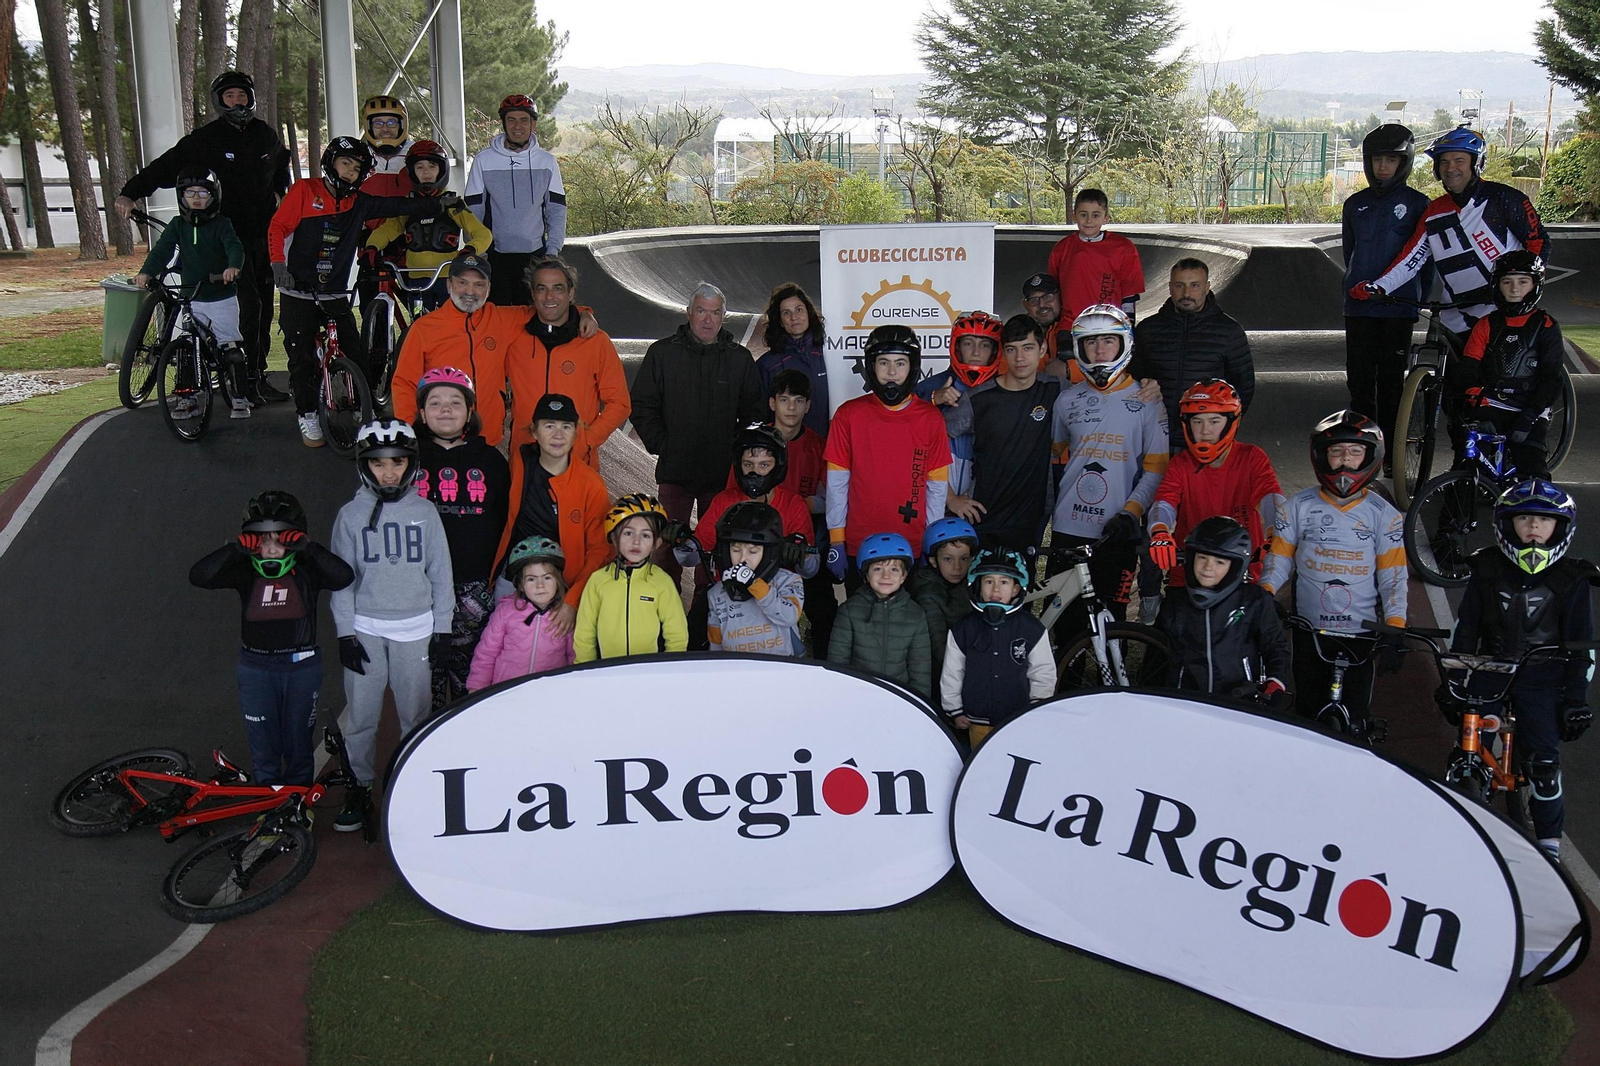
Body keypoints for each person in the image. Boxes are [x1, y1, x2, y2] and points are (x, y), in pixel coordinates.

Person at [116, 71, 292, 404]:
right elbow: (164, 166)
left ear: (251, 98)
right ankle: (221, 373)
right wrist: (130, 193)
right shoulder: (206, 139)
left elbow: (281, 167)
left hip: (262, 236)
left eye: (242, 95)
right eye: (229, 97)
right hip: (220, 236)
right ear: (219, 101)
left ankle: (254, 376)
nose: (237, 102)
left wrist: (281, 191)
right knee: (242, 304)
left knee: (262, 309)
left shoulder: (266, 135)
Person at [269, 136, 447, 447]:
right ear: (331, 163)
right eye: (345, 164)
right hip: (298, 292)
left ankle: (361, 407)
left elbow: (397, 206)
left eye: (356, 168)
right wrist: (278, 266)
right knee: (301, 359)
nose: (350, 171)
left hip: (335, 292)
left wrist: (439, 203)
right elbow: (278, 227)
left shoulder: (359, 202)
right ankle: (308, 413)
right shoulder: (305, 191)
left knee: (356, 352)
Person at [1450, 479, 1594, 860]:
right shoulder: (1485, 568)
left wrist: (1575, 699)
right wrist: (1452, 680)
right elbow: (1466, 631)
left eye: (1544, 521)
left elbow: (1583, 648)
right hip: (1490, 671)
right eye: (1525, 518)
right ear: (1505, 524)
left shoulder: (1573, 578)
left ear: (1560, 528)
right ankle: (1461, 826)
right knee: (1466, 756)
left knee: (1544, 765)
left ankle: (1549, 847)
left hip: (1544, 679)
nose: (1533, 527)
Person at [330, 419, 455, 831]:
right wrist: (345, 632)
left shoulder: (426, 511)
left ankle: (410, 785)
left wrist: (443, 628)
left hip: (415, 629)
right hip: (365, 628)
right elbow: (342, 580)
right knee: (362, 716)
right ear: (365, 466)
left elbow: (441, 574)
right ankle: (359, 786)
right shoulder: (350, 516)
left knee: (414, 715)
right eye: (379, 463)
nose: (389, 471)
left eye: (397, 462)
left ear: (411, 464)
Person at [631, 282, 766, 641]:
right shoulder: (662, 354)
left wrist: (737, 457)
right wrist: (664, 444)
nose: (708, 319)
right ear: (689, 313)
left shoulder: (739, 359)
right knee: (667, 550)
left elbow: (754, 415)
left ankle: (704, 625)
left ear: (724, 317)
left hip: (721, 476)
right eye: (702, 311)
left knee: (713, 553)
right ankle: (663, 624)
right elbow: (642, 406)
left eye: (716, 312)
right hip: (675, 472)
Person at [189, 491, 354, 785]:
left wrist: (309, 548)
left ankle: (298, 808)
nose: (271, 546)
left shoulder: (307, 568)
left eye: (281, 538)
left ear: (295, 537)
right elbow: (199, 576)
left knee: (298, 744)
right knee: (264, 747)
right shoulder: (243, 570)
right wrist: (235, 550)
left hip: (302, 669)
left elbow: (344, 576)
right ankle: (267, 810)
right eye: (262, 538)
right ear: (250, 540)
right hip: (256, 669)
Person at [1259, 411, 1407, 728]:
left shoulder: (1385, 515)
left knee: (1356, 717)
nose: (1344, 462)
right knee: (1307, 712)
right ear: (1321, 456)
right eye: (1336, 451)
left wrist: (1396, 627)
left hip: (1361, 632)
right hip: (1309, 629)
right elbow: (1280, 558)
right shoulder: (1296, 507)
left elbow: (1393, 576)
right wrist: (1265, 594)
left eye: (1355, 453)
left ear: (1371, 457)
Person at [1353, 125, 1551, 340]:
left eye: (1459, 161)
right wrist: (1379, 286)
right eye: (1444, 162)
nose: (1450, 168)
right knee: (1454, 372)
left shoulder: (1506, 198)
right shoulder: (1434, 211)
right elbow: (1411, 258)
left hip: (1503, 315)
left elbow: (1539, 242)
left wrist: (1527, 287)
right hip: (1454, 319)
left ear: (1477, 164)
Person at [1048, 304, 1170, 643]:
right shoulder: (1066, 401)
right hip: (1067, 528)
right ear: (1079, 347)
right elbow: (1052, 458)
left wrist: (1130, 514)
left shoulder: (1148, 400)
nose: (1100, 350)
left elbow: (1156, 469)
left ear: (1124, 344)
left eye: (1108, 341)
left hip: (1117, 532)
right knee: (1066, 626)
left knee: (1112, 625)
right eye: (1091, 342)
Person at [824, 325, 952, 592]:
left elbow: (936, 488)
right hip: (858, 542)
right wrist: (837, 538)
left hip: (912, 544)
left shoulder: (930, 418)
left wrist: (931, 541)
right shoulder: (848, 415)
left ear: (913, 367)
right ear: (871, 367)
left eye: (900, 363)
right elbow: (837, 483)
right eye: (884, 363)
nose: (892, 372)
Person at [412, 368, 511, 709]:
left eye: (456, 402)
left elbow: (506, 519)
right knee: (426, 674)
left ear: (470, 411)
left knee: (471, 674)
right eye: (435, 402)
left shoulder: (490, 461)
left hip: (474, 585)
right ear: (422, 413)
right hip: (420, 586)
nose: (445, 409)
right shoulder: (407, 458)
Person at [1341, 124, 1433, 457]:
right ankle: (1363, 451)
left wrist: (1418, 300)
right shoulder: (1354, 205)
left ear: (1404, 162)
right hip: (1359, 307)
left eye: (1391, 160)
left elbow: (1427, 260)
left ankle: (1393, 455)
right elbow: (1350, 253)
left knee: (1392, 385)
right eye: (1377, 159)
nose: (1383, 167)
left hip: (1397, 308)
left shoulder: (1420, 204)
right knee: (1360, 384)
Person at [131, 167, 250, 419]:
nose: (196, 198)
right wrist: (147, 272)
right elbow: (161, 251)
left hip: (221, 297)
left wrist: (232, 268)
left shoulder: (221, 224)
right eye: (189, 193)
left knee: (231, 349)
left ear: (214, 195)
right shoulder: (178, 225)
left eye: (203, 193)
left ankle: (240, 396)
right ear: (181, 197)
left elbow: (234, 248)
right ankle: (187, 398)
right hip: (192, 297)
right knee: (187, 347)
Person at [1146, 379, 1284, 593]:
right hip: (1189, 575)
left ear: (1231, 422)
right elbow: (1165, 502)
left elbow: (1270, 498)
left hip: (1243, 572)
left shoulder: (1252, 457)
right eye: (1197, 421)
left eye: (1214, 421)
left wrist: (1275, 533)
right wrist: (1160, 532)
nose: (1205, 431)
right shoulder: (1181, 463)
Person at [495, 393, 613, 637]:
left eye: (566, 427)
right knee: (505, 647)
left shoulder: (591, 485)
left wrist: (572, 601)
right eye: (549, 426)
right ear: (535, 432)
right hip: (512, 578)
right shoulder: (520, 459)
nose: (558, 435)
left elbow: (600, 551)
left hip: (560, 590)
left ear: (575, 433)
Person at [1446, 252, 1565, 480]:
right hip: (1490, 404)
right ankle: (1456, 515)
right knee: (1465, 466)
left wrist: (1529, 417)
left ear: (1535, 285)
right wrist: (1479, 407)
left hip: (1530, 408)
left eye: (1523, 282)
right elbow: (1468, 369)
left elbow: (1552, 378)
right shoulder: (1486, 324)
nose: (1514, 289)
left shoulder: (1547, 326)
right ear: (1497, 285)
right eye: (1506, 282)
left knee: (1533, 471)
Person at [949, 314, 1062, 554]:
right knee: (980, 590)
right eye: (1012, 349)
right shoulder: (978, 399)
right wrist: (950, 499)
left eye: (1028, 348)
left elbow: (1102, 396)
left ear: (1042, 349)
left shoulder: (1056, 389)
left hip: (1033, 520)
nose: (1020, 358)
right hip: (983, 518)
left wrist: (1146, 386)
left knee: (1028, 589)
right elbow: (926, 441)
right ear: (1003, 352)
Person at [507, 256, 630, 475]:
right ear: (533, 294)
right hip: (524, 466)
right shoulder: (514, 336)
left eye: (558, 288)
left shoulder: (595, 341)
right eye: (541, 288)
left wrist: (587, 439)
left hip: (578, 464)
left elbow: (619, 403)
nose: (549, 296)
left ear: (571, 293)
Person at [1157, 517, 1291, 711]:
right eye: (1202, 557)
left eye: (1219, 561)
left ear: (1235, 566)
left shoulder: (1254, 601)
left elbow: (1275, 646)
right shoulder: (1175, 602)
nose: (1208, 567)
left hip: (1239, 703)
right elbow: (1156, 653)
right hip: (1183, 703)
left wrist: (1276, 681)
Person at [1130, 258, 1255, 446]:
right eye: (1179, 285)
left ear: (1207, 287)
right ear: (1170, 287)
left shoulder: (1229, 331)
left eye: (1194, 285)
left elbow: (1243, 387)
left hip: (1204, 440)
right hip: (1153, 437)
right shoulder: (1148, 329)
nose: (1186, 293)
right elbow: (1132, 378)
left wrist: (1222, 429)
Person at [941, 547, 1055, 748]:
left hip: (1018, 719)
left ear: (1016, 589)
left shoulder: (1031, 629)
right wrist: (954, 709)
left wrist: (1039, 705)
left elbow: (1043, 671)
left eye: (1004, 582)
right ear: (977, 585)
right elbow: (952, 672)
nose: (995, 590)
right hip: (977, 720)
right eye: (988, 582)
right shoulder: (964, 629)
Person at [365, 141, 492, 312]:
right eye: (419, 167)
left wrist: (469, 250)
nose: (426, 172)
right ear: (412, 172)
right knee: (419, 326)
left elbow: (483, 234)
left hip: (447, 278)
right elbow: (386, 230)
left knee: (450, 325)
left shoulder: (453, 205)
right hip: (415, 280)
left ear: (442, 170)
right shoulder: (408, 207)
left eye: (432, 166)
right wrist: (371, 248)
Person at [464, 94, 566, 306]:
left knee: (531, 319)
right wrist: (477, 249)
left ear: (533, 124)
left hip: (536, 258)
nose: (517, 126)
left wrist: (553, 251)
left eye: (524, 120)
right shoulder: (484, 160)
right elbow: (473, 210)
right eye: (511, 119)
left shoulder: (547, 162)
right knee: (497, 319)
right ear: (503, 123)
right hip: (494, 257)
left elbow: (556, 209)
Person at [574, 493, 689, 662]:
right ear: (614, 537)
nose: (636, 542)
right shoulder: (598, 581)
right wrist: (585, 672)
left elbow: (677, 634)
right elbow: (584, 634)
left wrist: (668, 671)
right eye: (628, 533)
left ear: (656, 543)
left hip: (647, 676)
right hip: (607, 674)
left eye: (645, 535)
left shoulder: (661, 582)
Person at [767, 369, 834, 656]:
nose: (791, 407)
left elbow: (832, 498)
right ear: (772, 404)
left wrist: (807, 505)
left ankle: (825, 664)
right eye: (784, 400)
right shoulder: (755, 444)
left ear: (808, 405)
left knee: (824, 609)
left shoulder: (818, 446)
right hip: (762, 542)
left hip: (804, 541)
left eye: (798, 400)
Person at [828, 533, 932, 700]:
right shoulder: (849, 612)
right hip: (857, 696)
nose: (886, 576)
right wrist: (840, 697)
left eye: (894, 569)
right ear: (867, 574)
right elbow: (838, 661)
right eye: (878, 569)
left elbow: (920, 669)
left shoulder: (915, 615)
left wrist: (920, 702)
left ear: (904, 576)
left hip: (899, 697)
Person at [466, 536, 576, 692]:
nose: (540, 585)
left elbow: (574, 656)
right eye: (531, 579)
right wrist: (476, 688)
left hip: (549, 693)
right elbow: (486, 653)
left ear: (558, 581)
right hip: (506, 691)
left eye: (547, 578)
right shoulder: (506, 612)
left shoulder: (564, 616)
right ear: (521, 585)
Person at [914, 310, 1004, 501]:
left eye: (985, 345)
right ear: (957, 347)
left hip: (989, 494)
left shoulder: (1006, 389)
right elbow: (900, 431)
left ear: (995, 351)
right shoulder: (928, 387)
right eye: (968, 343)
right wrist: (932, 400)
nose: (976, 352)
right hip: (934, 495)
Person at [706, 501, 806, 657]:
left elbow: (788, 617)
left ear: (768, 552)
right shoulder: (716, 593)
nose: (742, 559)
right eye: (736, 549)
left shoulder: (788, 581)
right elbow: (716, 644)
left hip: (781, 669)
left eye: (753, 551)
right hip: (737, 671)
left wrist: (754, 584)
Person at [1047, 188, 1145, 324]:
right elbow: (1053, 292)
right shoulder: (1062, 249)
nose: (1089, 220)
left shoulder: (1123, 248)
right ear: (1074, 216)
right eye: (1083, 215)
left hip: (1109, 324)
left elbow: (1129, 293)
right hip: (1070, 325)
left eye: (1096, 215)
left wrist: (1129, 325)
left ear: (1106, 218)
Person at [912, 517, 981, 705]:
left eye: (964, 559)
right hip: (943, 676)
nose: (957, 567)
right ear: (933, 561)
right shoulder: (928, 593)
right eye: (948, 559)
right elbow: (938, 644)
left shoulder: (971, 586)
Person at [755, 283, 830, 438]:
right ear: (780, 321)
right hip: (788, 450)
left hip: (828, 448)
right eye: (786, 313)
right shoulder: (768, 365)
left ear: (809, 313)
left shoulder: (830, 354)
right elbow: (760, 414)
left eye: (799, 310)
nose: (794, 317)